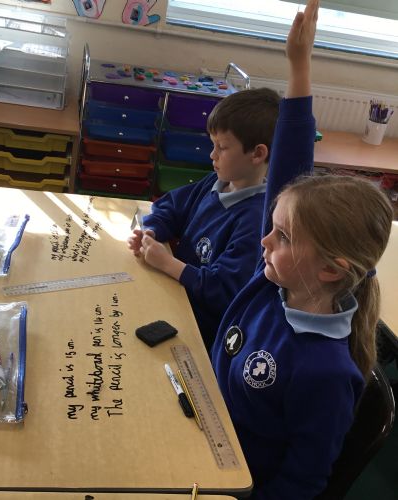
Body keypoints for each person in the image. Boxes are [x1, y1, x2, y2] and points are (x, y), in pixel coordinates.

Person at [211, 1, 394, 499]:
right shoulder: (277, 280)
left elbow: (303, 483)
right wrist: (299, 66)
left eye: (283, 236)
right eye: (274, 229)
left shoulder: (324, 373)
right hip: (204, 431)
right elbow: (290, 160)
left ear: (332, 270)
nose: (264, 241)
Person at [128, 86, 280, 351]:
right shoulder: (216, 182)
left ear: (257, 154)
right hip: (173, 293)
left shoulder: (256, 220)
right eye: (213, 145)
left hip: (199, 330)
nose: (212, 155)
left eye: (222, 147)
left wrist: (167, 263)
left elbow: (223, 291)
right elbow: (170, 207)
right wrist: (152, 232)